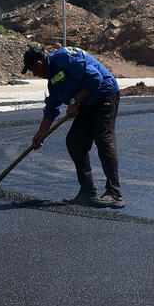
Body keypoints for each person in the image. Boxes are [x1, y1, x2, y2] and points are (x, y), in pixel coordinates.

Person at [22, 45, 123, 208]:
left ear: (40, 63)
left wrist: (75, 101)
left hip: (104, 94)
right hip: (87, 104)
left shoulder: (64, 58)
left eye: (33, 70)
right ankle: (87, 192)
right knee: (75, 142)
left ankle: (114, 193)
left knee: (103, 138)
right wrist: (41, 134)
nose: (35, 74)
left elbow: (95, 78)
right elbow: (52, 108)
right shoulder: (53, 81)